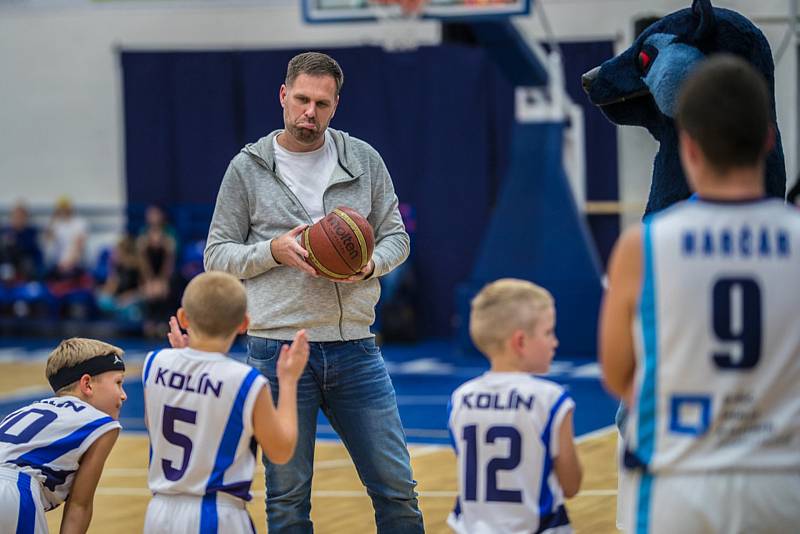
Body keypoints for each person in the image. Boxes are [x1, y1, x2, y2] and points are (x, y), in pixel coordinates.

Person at [204, 51, 422, 532]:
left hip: (355, 349)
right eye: (301, 99)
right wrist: (272, 252)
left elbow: (397, 238)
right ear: (283, 96)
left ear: (335, 105)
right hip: (275, 349)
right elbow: (216, 255)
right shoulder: (247, 168)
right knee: (286, 499)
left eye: (321, 104)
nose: (310, 112)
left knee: (397, 490)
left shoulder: (363, 159)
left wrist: (369, 266)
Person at [599, 55, 800, 533]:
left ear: (687, 146)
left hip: (678, 483)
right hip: (782, 483)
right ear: (768, 139)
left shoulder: (642, 246)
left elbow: (618, 373)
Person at [142, 271, 309, 533]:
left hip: (159, 513)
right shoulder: (245, 381)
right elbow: (281, 451)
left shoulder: (154, 363)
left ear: (184, 317)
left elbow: (153, 422)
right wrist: (289, 381)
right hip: (218, 515)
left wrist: (183, 359)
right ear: (244, 324)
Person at [447, 278, 582, 534]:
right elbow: (571, 485)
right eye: (548, 332)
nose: (555, 342)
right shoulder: (551, 399)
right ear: (520, 342)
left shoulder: (460, 398)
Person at [0, 338, 127, 533]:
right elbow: (79, 505)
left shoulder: (25, 410)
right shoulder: (102, 424)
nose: (123, 394)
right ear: (87, 384)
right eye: (118, 383)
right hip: (13, 490)